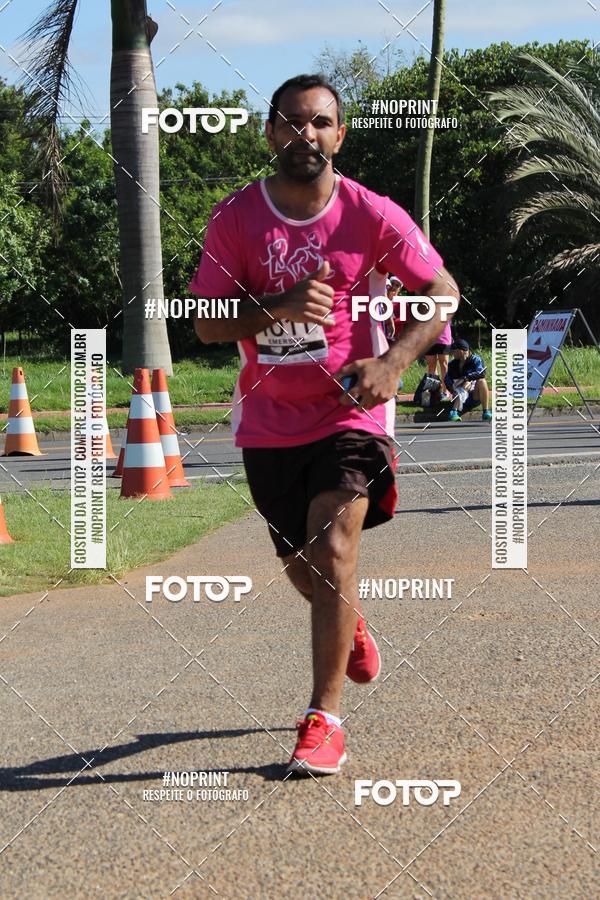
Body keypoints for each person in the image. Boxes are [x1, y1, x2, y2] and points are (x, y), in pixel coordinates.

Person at [191, 73, 460, 775]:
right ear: (271, 132)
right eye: (290, 122)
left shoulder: (372, 216)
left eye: (320, 123)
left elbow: (443, 293)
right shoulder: (235, 219)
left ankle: (324, 716)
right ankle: (352, 625)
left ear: (339, 135)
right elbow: (205, 325)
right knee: (304, 567)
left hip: (353, 407)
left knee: (334, 544)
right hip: (270, 418)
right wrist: (275, 304)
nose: (304, 134)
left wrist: (395, 362)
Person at [445, 339, 492, 422]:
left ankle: (486, 412)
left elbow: (481, 373)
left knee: (482, 381)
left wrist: (466, 378)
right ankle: (454, 413)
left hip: (474, 396)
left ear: (461, 351)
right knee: (462, 384)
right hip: (458, 396)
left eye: (454, 351)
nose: (452, 353)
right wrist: (453, 388)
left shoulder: (476, 360)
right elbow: (447, 379)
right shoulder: (452, 364)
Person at [425, 318, 452, 401]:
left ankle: (445, 391)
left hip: (443, 334)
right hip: (428, 335)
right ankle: (434, 392)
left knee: (444, 364)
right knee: (431, 365)